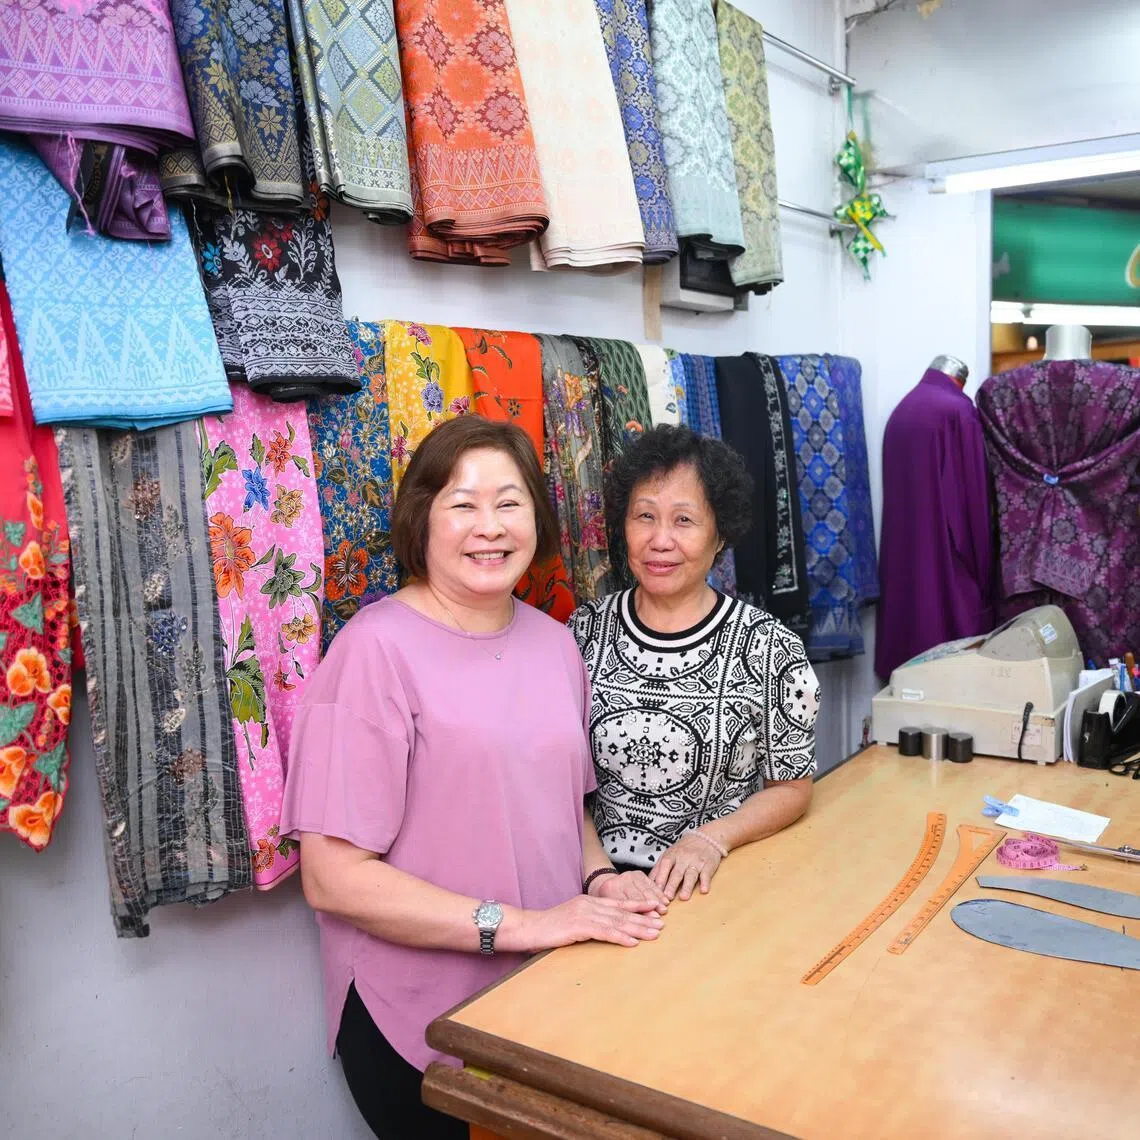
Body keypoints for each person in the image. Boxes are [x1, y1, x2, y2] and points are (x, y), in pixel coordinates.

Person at [280, 415, 667, 1140]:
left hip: (545, 997)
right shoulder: (373, 653)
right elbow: (332, 879)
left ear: (537, 520)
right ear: (421, 519)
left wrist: (599, 882)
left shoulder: (555, 644)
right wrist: (524, 926)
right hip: (422, 1020)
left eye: (509, 502)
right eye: (462, 504)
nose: (488, 526)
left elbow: (564, 805)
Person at [570, 425, 821, 903]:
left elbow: (792, 788)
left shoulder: (770, 648)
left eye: (684, 520)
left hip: (713, 892)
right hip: (597, 890)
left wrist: (711, 839)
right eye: (644, 516)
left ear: (720, 534)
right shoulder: (582, 632)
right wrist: (599, 875)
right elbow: (561, 782)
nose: (660, 540)